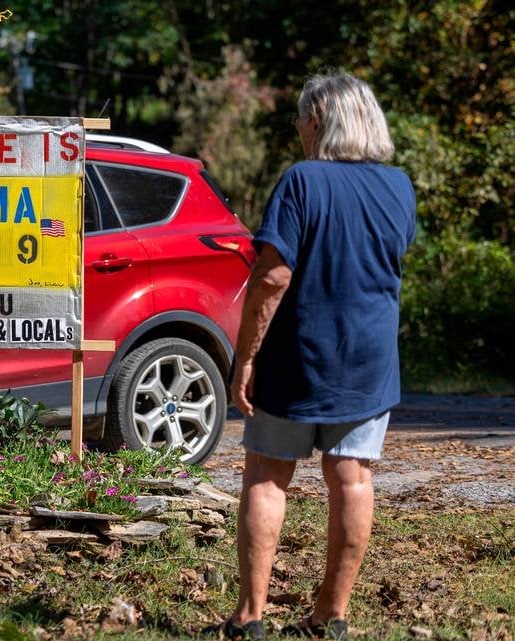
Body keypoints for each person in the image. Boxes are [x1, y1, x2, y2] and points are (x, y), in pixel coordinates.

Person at [212, 71, 416, 640]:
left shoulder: (303, 181)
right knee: (352, 479)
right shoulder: (399, 186)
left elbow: (274, 276)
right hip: (370, 360)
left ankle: (251, 617)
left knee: (267, 476)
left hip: (296, 356)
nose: (298, 128)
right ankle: (331, 614)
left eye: (301, 117)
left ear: (321, 120)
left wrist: (244, 358)